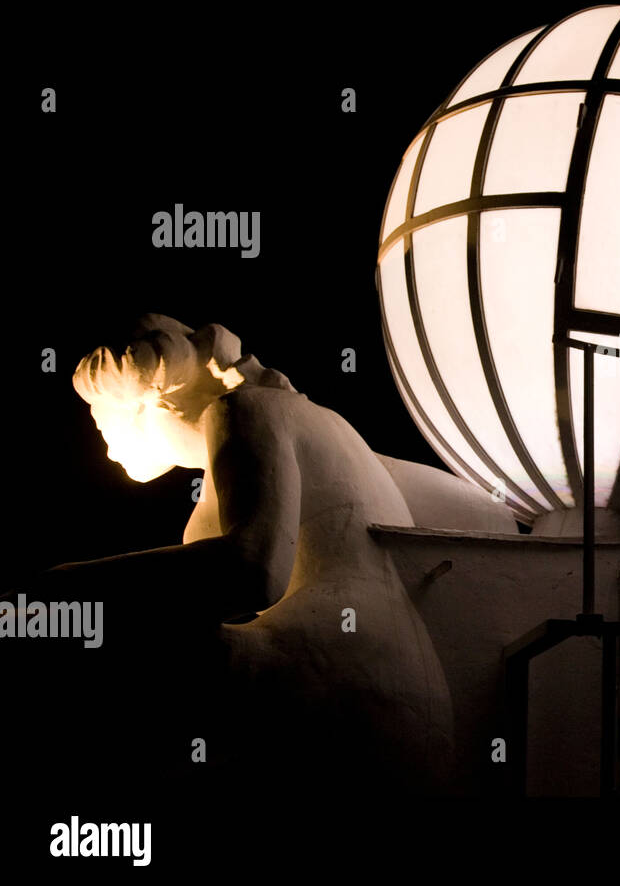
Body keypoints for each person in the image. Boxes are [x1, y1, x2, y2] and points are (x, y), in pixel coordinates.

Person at [11, 314, 453, 794]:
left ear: (152, 404)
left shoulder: (242, 411)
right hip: (413, 691)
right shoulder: (329, 424)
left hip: (340, 672)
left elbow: (252, 569)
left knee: (97, 642)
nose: (114, 455)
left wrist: (64, 584)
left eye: (111, 435)